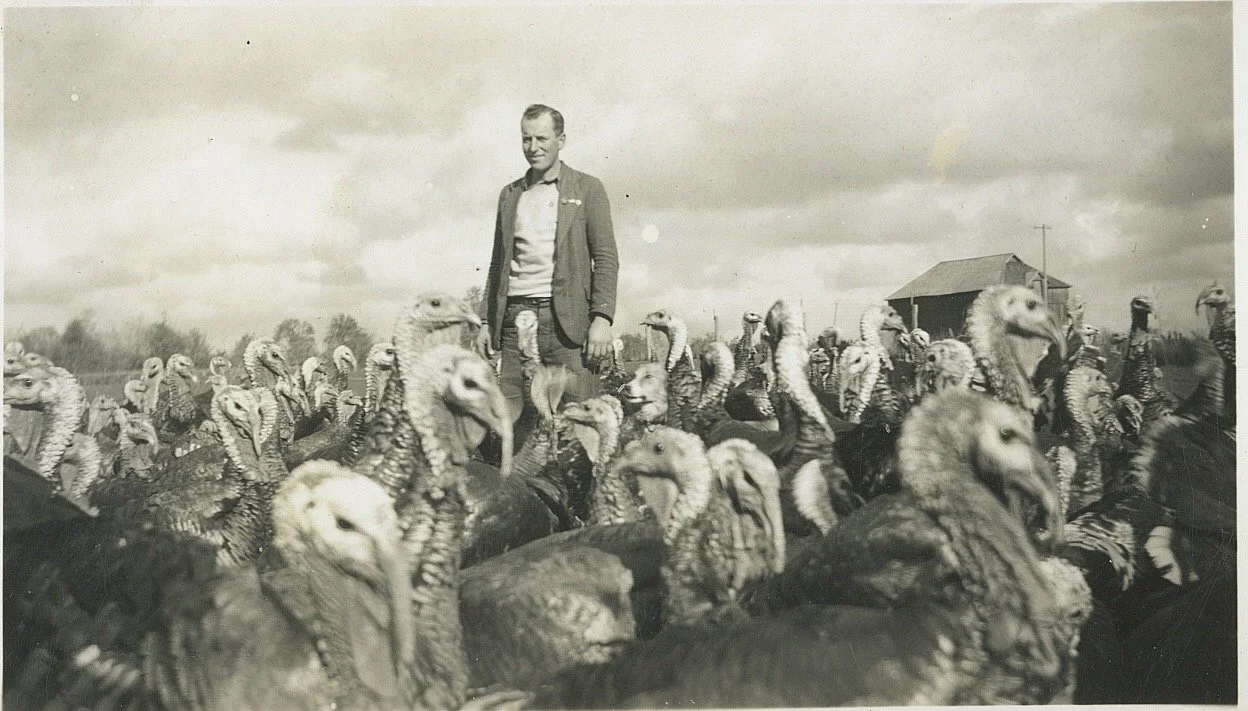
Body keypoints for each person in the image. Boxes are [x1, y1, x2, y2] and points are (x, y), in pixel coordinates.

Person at [476, 104, 619, 423]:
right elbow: (498, 262)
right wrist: (486, 321)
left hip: (567, 326)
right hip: (516, 323)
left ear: (561, 140)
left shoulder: (587, 188)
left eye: (542, 138)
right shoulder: (510, 195)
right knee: (511, 425)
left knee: (577, 425)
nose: (533, 147)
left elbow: (606, 256)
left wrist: (602, 318)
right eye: (526, 139)